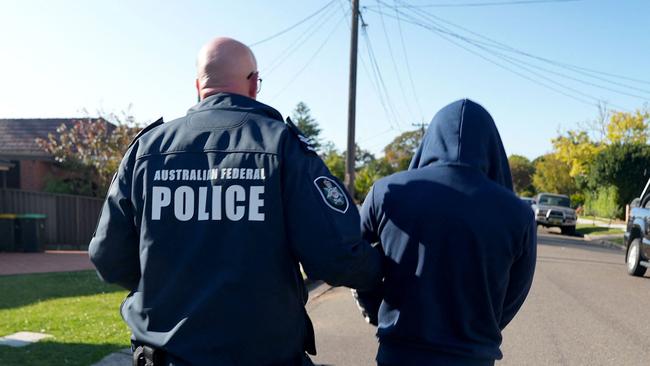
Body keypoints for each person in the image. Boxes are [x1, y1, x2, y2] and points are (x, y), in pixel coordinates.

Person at [89, 37, 382, 366]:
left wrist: (165, 284)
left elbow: (107, 257)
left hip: (166, 355)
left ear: (198, 86)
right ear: (254, 84)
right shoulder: (282, 146)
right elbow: (337, 255)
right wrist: (383, 275)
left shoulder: (145, 151)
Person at [354, 99, 537, 366]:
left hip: (399, 353)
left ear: (431, 138)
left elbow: (353, 261)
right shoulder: (518, 213)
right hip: (472, 356)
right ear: (491, 146)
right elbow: (515, 292)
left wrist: (378, 311)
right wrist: (479, 329)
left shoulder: (385, 193)